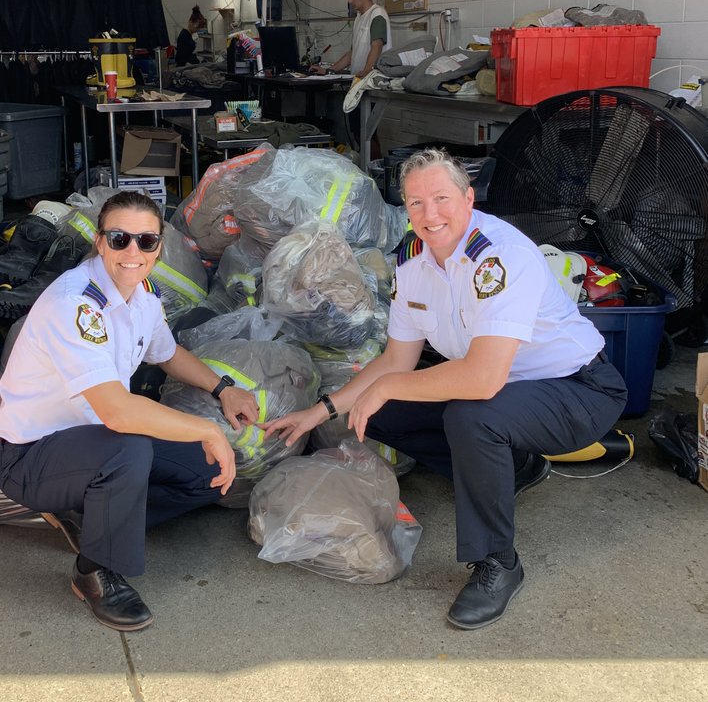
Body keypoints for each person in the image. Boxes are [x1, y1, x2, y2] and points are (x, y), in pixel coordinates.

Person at [266, 148, 628, 630]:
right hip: (509, 396)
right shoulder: (414, 264)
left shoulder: (500, 257)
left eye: (440, 198)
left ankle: (498, 563)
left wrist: (392, 384)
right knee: (381, 409)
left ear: (468, 197)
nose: (429, 214)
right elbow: (396, 359)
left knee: (471, 416)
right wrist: (320, 411)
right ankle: (517, 467)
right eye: (416, 203)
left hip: (577, 388)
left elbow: (481, 379)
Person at [0, 191, 258, 632]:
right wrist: (205, 430)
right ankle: (94, 571)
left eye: (146, 241)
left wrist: (223, 388)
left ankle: (96, 517)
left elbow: (167, 354)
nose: (133, 251)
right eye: (119, 239)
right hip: (31, 456)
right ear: (100, 242)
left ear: (160, 244)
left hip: (94, 443)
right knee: (129, 449)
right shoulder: (76, 305)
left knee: (205, 475)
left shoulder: (141, 296)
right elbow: (116, 412)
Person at [310, 0, 391, 79]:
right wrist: (328, 70)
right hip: (358, 81)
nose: (349, 1)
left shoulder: (377, 14)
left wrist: (367, 71)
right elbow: (352, 53)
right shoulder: (358, 18)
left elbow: (377, 46)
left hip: (373, 82)